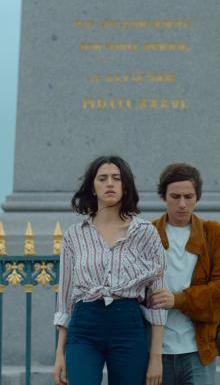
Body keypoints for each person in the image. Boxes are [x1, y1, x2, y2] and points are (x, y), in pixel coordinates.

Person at [53, 155, 166, 385]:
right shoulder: (74, 235)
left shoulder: (145, 233)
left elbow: (157, 301)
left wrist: (156, 358)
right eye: (102, 178)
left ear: (125, 187)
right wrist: (59, 354)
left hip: (128, 324)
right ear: (92, 188)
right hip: (84, 326)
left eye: (116, 178)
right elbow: (65, 298)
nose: (110, 183)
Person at [149, 163, 220, 385]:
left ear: (197, 197)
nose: (182, 204)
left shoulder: (214, 234)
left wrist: (178, 299)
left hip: (199, 351)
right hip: (155, 353)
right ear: (163, 197)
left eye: (188, 196)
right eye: (175, 196)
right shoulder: (147, 234)